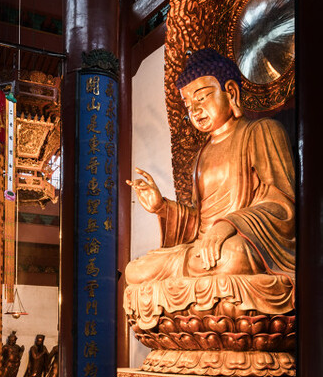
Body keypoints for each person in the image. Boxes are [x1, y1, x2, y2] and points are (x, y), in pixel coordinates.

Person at [123, 48, 296, 328]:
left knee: (233, 256)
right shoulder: (202, 154)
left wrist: (228, 225)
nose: (195, 109)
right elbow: (198, 224)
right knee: (135, 271)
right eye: (188, 104)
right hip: (202, 253)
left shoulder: (262, 131)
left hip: (241, 246)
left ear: (231, 92)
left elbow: (282, 205)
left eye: (201, 97)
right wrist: (162, 207)